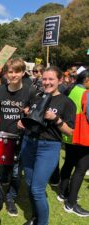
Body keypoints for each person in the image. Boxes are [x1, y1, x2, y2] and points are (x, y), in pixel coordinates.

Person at [19, 66, 76, 225]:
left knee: (37, 190)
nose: (47, 82)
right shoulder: (37, 96)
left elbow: (70, 131)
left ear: (60, 80)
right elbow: (31, 117)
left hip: (48, 147)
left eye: (51, 79)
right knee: (30, 185)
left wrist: (56, 119)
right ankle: (35, 217)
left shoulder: (66, 102)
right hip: (29, 143)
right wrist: (23, 121)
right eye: (44, 79)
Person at [0, 58, 36, 217]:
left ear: (23, 73)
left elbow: (36, 115)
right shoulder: (0, 90)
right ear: (6, 73)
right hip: (1, 137)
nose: (13, 75)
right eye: (10, 72)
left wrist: (28, 117)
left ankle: (10, 198)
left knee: (15, 172)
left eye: (17, 72)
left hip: (20, 139)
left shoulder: (30, 90)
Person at [59, 69, 89, 216]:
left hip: (68, 134)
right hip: (82, 136)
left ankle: (62, 193)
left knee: (69, 163)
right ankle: (71, 204)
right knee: (81, 169)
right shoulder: (86, 93)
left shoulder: (71, 88)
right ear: (87, 80)